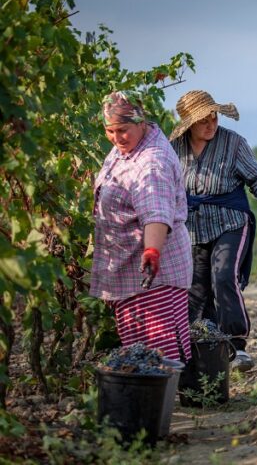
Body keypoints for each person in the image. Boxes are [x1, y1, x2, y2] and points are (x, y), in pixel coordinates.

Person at [169, 90, 257, 372]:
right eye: (203, 121)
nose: (211, 124)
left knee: (223, 276)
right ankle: (206, 348)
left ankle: (237, 346)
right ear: (189, 125)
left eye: (213, 117)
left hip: (231, 221)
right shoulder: (173, 149)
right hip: (193, 227)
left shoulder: (233, 143)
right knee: (196, 288)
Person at [90, 90, 193, 362]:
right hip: (132, 273)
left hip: (153, 274)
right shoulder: (127, 148)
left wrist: (152, 251)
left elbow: (156, 212)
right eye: (109, 131)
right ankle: (155, 400)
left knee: (158, 351)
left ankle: (164, 402)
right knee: (142, 351)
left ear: (140, 122)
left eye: (122, 130)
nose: (115, 137)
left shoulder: (151, 161)